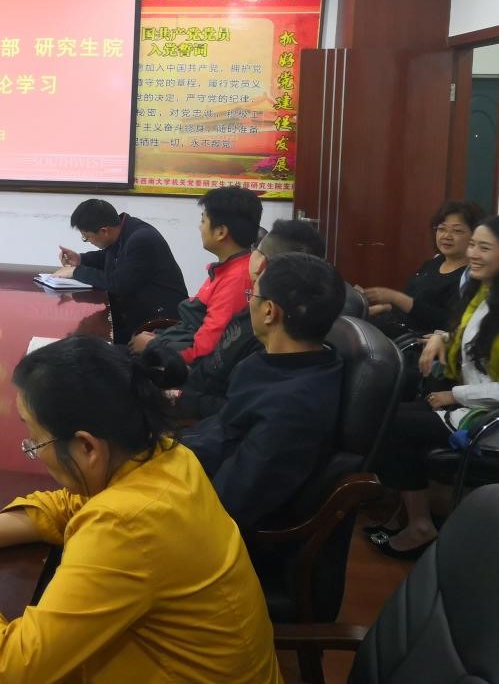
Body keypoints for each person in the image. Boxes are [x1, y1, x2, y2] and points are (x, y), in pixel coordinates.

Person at [0, 336, 281, 683]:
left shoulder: (124, 524)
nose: (32, 450)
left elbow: (14, 667)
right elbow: (71, 505)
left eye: (35, 441)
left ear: (87, 447)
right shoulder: (168, 457)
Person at [182, 253, 346, 531]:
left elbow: (230, 502)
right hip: (194, 464)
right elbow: (225, 431)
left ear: (269, 311)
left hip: (207, 520)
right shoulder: (280, 363)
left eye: (252, 296)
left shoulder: (292, 408)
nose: (249, 303)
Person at [369, 215, 499, 559]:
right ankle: (409, 513)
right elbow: (464, 335)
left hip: (487, 418)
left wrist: (454, 395)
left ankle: (420, 524)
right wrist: (442, 337)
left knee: (395, 424)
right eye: (474, 245)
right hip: (470, 404)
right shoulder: (482, 294)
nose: (473, 253)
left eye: (484, 247)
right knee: (384, 411)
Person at [172, 217, 327, 419]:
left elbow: (236, 409)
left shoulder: (269, 330)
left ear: (261, 264)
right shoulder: (256, 307)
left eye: (255, 249)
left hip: (198, 416)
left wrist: (176, 397)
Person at [133, 186, 262, 393]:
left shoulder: (237, 279)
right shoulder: (227, 268)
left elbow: (206, 349)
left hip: (195, 375)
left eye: (203, 221)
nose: (199, 227)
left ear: (221, 232)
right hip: (180, 345)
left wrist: (153, 348)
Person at [53, 198, 187, 344]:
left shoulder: (141, 240)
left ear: (104, 231)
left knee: (90, 343)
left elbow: (118, 283)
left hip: (158, 324)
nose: (88, 241)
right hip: (135, 312)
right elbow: (110, 256)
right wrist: (80, 259)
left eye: (87, 237)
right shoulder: (123, 230)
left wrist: (76, 272)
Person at [360, 199, 484, 336]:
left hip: (417, 340)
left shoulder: (471, 275)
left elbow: (448, 321)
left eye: (457, 231)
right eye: (441, 229)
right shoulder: (434, 263)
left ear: (475, 236)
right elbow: (413, 302)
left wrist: (396, 298)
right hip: (393, 326)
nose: (446, 236)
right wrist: (385, 307)